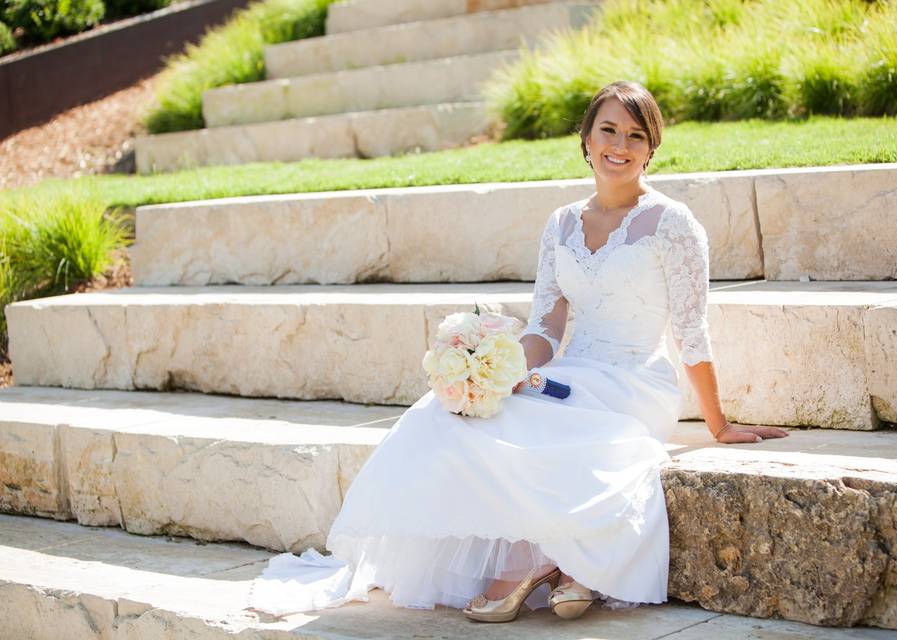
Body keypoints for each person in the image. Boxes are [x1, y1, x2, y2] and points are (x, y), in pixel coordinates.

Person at [247, 80, 788, 623]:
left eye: (635, 135)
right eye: (608, 130)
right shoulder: (561, 224)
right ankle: (567, 564)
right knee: (455, 411)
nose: (619, 146)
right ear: (586, 138)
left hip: (637, 378)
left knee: (565, 423)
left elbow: (692, 331)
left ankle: (526, 564)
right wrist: (495, 369)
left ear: (652, 148)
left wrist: (717, 426)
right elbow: (546, 330)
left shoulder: (674, 224)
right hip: (575, 368)